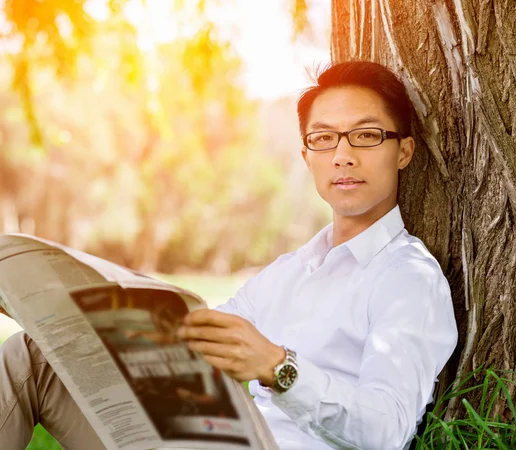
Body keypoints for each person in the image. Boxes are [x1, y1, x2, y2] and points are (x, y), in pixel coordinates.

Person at [0, 61, 457, 450]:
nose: (342, 155)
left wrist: (281, 369)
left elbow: (389, 428)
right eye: (324, 139)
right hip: (218, 437)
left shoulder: (408, 277)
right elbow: (192, 345)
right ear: (306, 156)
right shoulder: (288, 272)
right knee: (30, 356)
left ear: (403, 151)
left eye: (366, 135)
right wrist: (51, 308)